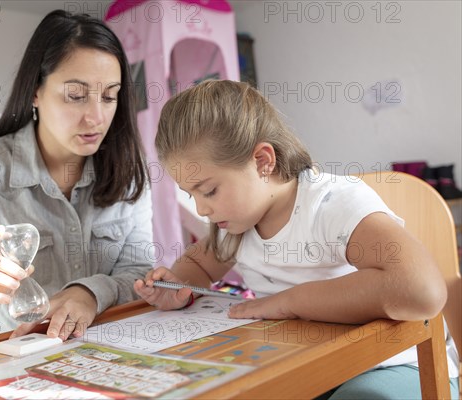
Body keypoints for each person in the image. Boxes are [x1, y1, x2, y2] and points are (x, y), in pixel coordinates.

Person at [134, 80, 459, 398]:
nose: (202, 209)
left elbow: (423, 291)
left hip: (393, 365)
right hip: (305, 365)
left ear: (262, 161)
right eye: (191, 194)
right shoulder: (236, 223)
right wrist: (178, 286)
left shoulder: (332, 204)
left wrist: (290, 303)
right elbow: (199, 265)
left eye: (209, 191)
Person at [0, 10, 153, 345]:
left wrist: (89, 293)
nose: (97, 117)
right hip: (15, 367)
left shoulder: (129, 170)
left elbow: (142, 275)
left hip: (108, 355)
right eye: (75, 95)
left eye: (109, 96)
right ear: (35, 92)